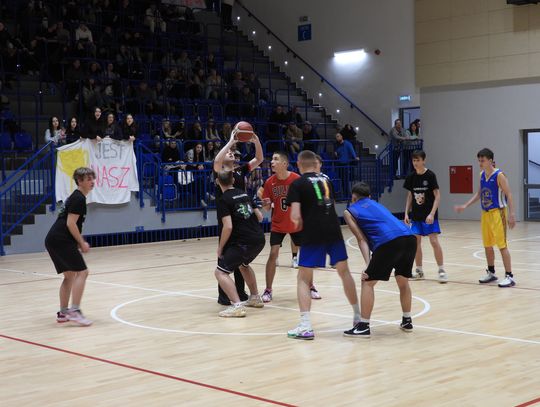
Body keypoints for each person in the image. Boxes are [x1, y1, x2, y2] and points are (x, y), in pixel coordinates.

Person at [285, 150, 360, 340]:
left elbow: (294, 216)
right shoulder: (326, 180)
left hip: (313, 233)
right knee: (344, 273)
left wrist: (298, 222)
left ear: (299, 164)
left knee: (303, 278)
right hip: (333, 229)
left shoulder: (297, 183)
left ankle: (305, 326)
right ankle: (358, 317)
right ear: (314, 163)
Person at [343, 182, 416, 337]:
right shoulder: (376, 204)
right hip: (409, 238)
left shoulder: (349, 212)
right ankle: (407, 320)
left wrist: (368, 265)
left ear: (353, 198)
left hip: (389, 242)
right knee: (403, 281)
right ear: (369, 196)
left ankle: (363, 326)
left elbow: (361, 239)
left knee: (367, 282)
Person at [258, 151, 322, 303]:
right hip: (278, 224)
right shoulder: (269, 182)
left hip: (297, 224)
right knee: (273, 254)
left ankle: (311, 286)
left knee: (306, 256)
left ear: (284, 164)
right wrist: (265, 204)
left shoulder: (297, 179)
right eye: (272, 159)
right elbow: (267, 208)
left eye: (275, 159)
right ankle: (268, 290)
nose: (272, 162)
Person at [213, 124, 264, 305]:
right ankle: (226, 297)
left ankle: (242, 295)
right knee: (227, 257)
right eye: (229, 153)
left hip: (243, 215)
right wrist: (231, 142)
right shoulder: (220, 173)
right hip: (227, 215)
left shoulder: (241, 170)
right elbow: (217, 161)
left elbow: (259, 158)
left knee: (240, 261)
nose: (232, 154)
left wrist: (256, 141)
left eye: (234, 154)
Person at [454, 148, 516, 287]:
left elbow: (509, 195)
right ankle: (491, 272)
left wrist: (512, 214)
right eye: (479, 160)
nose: (480, 163)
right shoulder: (482, 174)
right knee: (487, 245)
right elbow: (479, 194)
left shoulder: (499, 175)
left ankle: (509, 276)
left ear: (490, 161)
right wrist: (465, 205)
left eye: (482, 160)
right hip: (485, 213)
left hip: (498, 213)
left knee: (502, 245)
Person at [44, 167, 96, 327]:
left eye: (92, 178)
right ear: (79, 181)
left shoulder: (77, 197)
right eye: (88, 179)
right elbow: (70, 223)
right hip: (61, 240)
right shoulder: (79, 199)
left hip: (54, 239)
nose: (92, 182)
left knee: (70, 276)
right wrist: (81, 242)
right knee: (83, 272)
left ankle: (63, 313)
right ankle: (75, 310)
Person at [214, 170, 265, 317]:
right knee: (243, 266)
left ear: (218, 182)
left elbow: (228, 226)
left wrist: (221, 247)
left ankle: (237, 305)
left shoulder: (223, 199)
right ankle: (255, 297)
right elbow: (260, 217)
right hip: (259, 239)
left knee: (220, 272)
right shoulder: (244, 194)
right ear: (233, 181)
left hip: (243, 242)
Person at [403, 150, 447, 282]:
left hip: (429, 216)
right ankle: (419, 271)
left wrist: (432, 213)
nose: (415, 163)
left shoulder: (430, 175)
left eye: (418, 160)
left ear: (424, 160)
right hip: (416, 216)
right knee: (415, 243)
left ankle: (441, 270)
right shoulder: (411, 177)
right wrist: (406, 212)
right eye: (413, 161)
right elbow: (410, 195)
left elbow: (437, 195)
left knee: (434, 241)